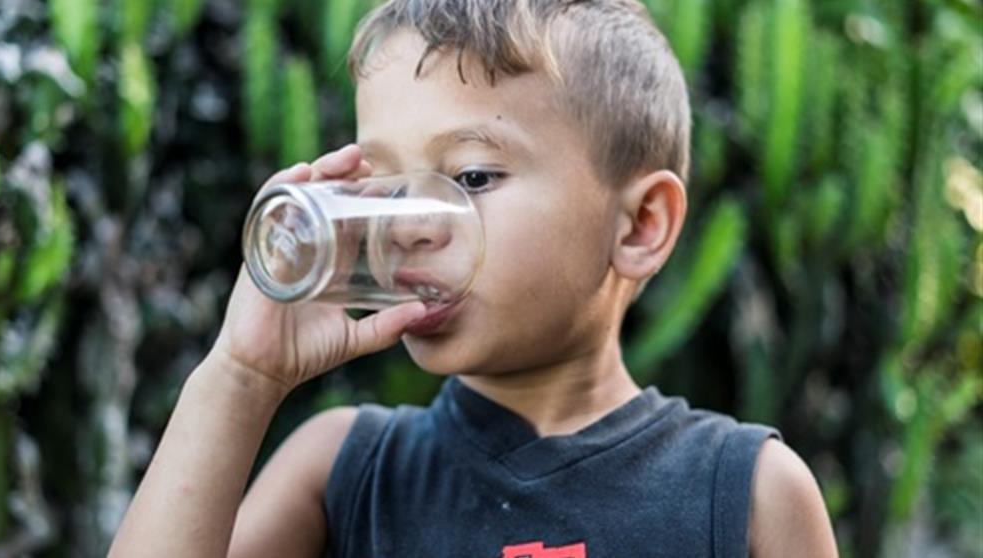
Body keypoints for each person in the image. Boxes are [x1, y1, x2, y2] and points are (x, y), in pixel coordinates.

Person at [109, 1, 838, 556]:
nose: (407, 224)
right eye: (386, 183)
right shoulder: (343, 473)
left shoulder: (747, 495)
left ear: (640, 225)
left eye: (471, 175)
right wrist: (240, 375)